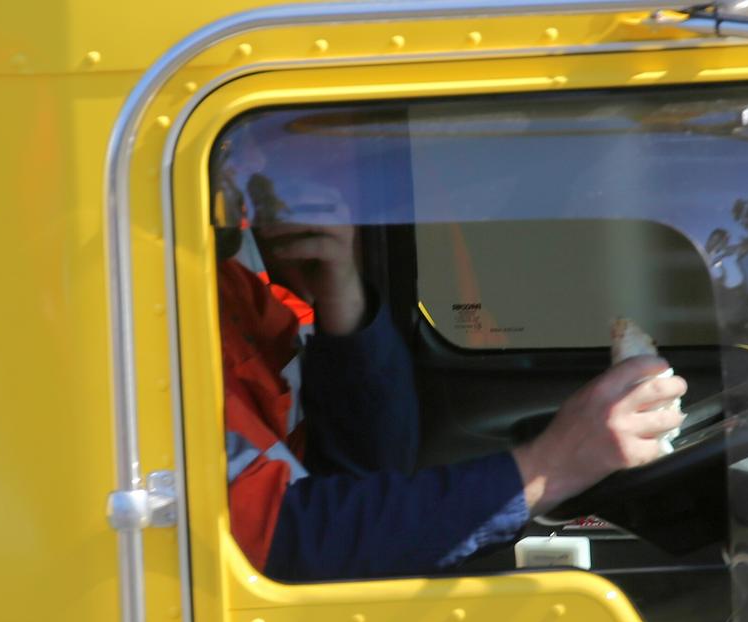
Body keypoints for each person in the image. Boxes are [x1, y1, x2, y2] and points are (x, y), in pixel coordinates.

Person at [216, 169, 688, 582]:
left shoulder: (234, 295)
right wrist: (554, 464)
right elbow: (287, 540)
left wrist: (340, 290)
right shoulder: (154, 324)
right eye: (243, 150)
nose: (256, 168)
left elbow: (368, 468)